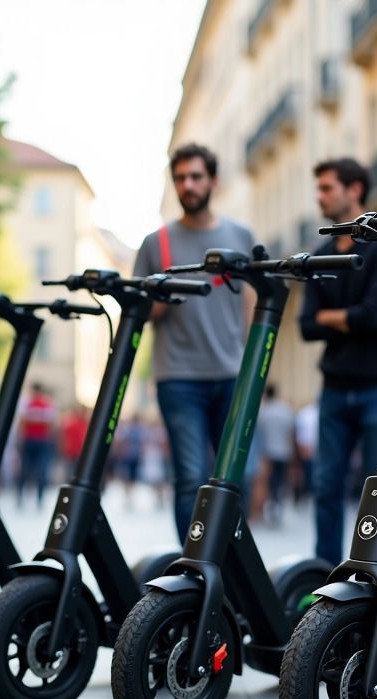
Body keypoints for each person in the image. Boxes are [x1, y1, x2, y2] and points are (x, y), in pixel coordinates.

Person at [132, 143, 254, 543]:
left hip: (232, 374)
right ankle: (192, 571)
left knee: (234, 478)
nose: (188, 184)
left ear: (213, 181)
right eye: (181, 177)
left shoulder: (240, 235)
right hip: (178, 377)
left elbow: (253, 299)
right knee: (188, 477)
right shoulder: (156, 243)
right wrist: (158, 304)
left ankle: (234, 568)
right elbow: (137, 310)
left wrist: (253, 359)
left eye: (196, 176)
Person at [300, 157, 377, 565]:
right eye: (319, 188)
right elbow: (307, 326)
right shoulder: (321, 255)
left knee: (376, 489)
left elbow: (374, 315)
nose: (319, 196)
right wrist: (346, 318)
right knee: (326, 485)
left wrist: (333, 317)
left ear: (354, 190)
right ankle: (325, 574)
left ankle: (374, 568)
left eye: (327, 188)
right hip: (335, 387)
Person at [255, 384, 295, 525]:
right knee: (280, 481)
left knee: (269, 482)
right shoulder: (285, 410)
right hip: (284, 452)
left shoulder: (264, 412)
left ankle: (269, 508)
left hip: (267, 452)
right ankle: (278, 507)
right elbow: (291, 432)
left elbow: (259, 433)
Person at [16, 382, 56, 506]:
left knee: (39, 470)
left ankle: (37, 498)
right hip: (35, 440)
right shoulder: (31, 403)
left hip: (38, 440)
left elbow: (22, 422)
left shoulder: (37, 404)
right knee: (26, 470)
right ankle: (23, 497)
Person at [294, 398, 318, 504]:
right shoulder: (306, 413)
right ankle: (306, 494)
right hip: (307, 449)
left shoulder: (307, 413)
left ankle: (311, 493)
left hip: (314, 449)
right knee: (307, 474)